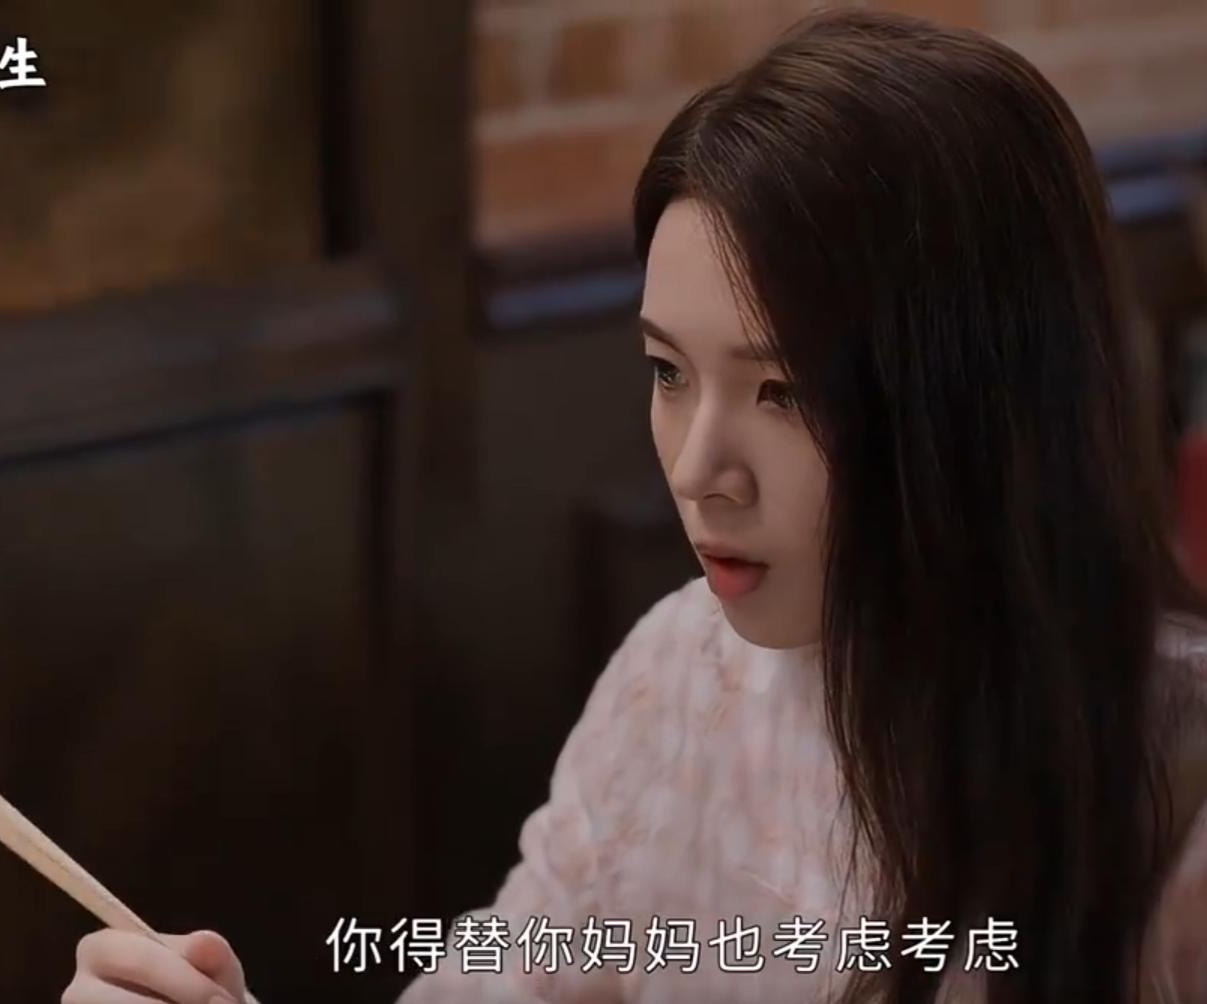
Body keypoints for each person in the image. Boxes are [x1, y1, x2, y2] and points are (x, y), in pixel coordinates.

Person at [60, 9, 1207, 1003]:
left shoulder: (1174, 792)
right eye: (667, 370)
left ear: (976, 398)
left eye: (782, 390)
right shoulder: (679, 677)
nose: (698, 467)